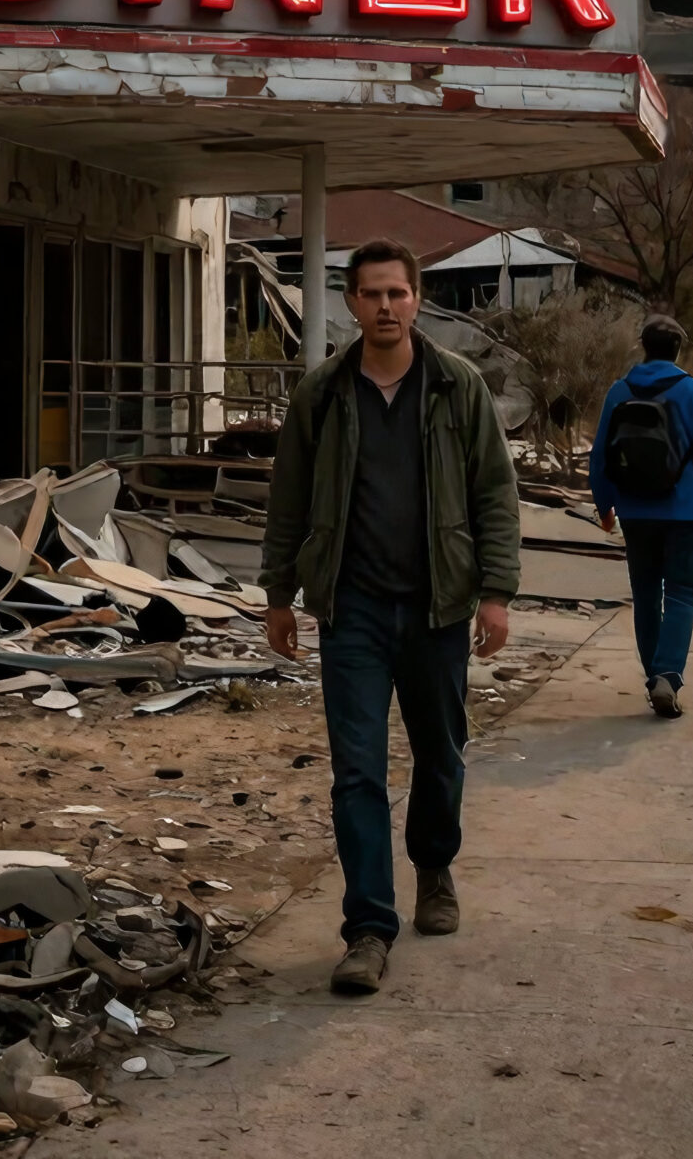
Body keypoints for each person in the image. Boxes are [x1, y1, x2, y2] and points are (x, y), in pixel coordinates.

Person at [261, 237, 522, 997]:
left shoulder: (457, 386)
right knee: (357, 774)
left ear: (416, 300)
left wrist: (496, 593)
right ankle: (369, 929)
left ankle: (434, 866)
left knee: (440, 755)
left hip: (439, 608)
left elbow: (494, 493)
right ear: (351, 303)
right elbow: (288, 499)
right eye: (371, 294)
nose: (385, 306)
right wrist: (278, 594)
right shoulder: (322, 396)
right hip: (354, 614)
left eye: (397, 293)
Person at [588, 316, 693, 718]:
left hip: (635, 510)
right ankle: (667, 677)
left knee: (645, 595)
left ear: (644, 346)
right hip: (685, 511)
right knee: (682, 593)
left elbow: (600, 455)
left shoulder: (619, 391)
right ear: (678, 349)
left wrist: (605, 506)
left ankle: (654, 675)